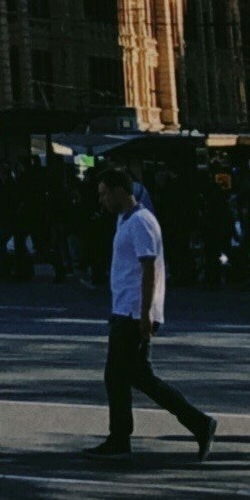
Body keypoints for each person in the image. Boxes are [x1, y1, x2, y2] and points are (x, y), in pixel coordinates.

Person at [90, 162, 214, 458]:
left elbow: (150, 270)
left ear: (120, 191)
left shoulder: (141, 221)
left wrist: (146, 314)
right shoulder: (124, 219)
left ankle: (121, 438)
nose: (102, 200)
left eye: (105, 194)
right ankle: (198, 423)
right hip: (124, 308)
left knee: (119, 376)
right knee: (136, 376)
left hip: (134, 312)